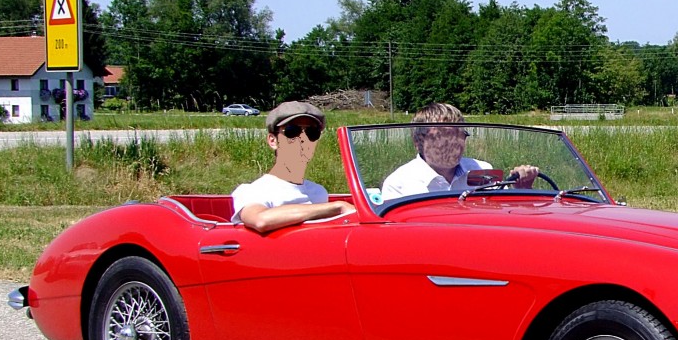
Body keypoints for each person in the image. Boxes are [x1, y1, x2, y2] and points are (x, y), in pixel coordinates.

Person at [231, 100, 355, 232]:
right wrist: (338, 207)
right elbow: (260, 220)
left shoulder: (318, 192)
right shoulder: (253, 191)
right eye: (292, 131)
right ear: (273, 141)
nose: (303, 138)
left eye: (312, 133)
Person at [380, 102, 539, 200]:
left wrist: (522, 190)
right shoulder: (399, 184)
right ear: (418, 141)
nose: (454, 142)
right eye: (443, 135)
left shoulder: (481, 170)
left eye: (460, 134)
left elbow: (501, 215)